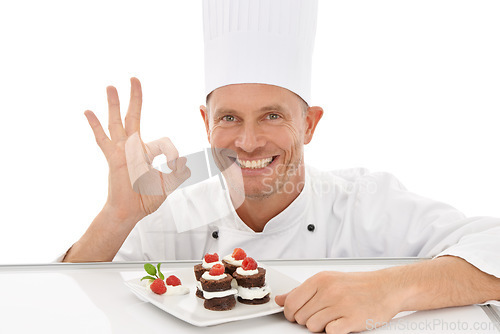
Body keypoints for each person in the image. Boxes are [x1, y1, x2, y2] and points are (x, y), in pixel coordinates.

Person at [63, 0, 500, 333]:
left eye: (272, 116)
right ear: (205, 123)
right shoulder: (168, 215)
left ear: (309, 124)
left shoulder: (365, 203)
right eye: (229, 118)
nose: (248, 142)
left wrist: (388, 289)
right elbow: (61, 304)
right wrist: (116, 216)